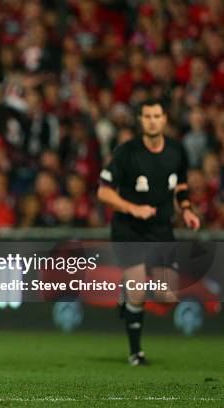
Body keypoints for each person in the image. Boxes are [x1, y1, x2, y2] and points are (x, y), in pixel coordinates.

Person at [97, 99, 200, 366]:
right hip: (129, 228)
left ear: (165, 119)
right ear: (141, 120)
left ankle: (129, 289)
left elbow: (181, 186)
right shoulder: (127, 152)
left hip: (161, 227)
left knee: (167, 297)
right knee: (139, 291)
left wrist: (187, 210)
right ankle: (135, 353)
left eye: (157, 115)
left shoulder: (177, 151)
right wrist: (133, 208)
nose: (152, 120)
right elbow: (104, 191)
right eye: (147, 116)